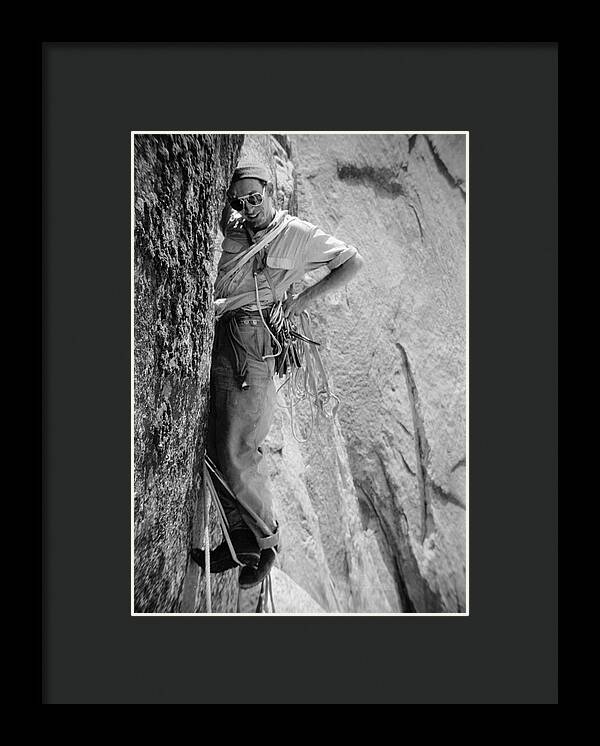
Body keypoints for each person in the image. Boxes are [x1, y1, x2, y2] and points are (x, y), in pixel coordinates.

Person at [192, 161, 364, 589]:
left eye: (255, 197)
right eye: (240, 201)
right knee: (216, 439)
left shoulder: (296, 234)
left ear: (272, 193)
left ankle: (266, 543)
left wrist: (301, 301)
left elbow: (351, 262)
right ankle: (240, 540)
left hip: (253, 343)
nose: (248, 206)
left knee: (238, 448)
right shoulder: (236, 227)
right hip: (226, 332)